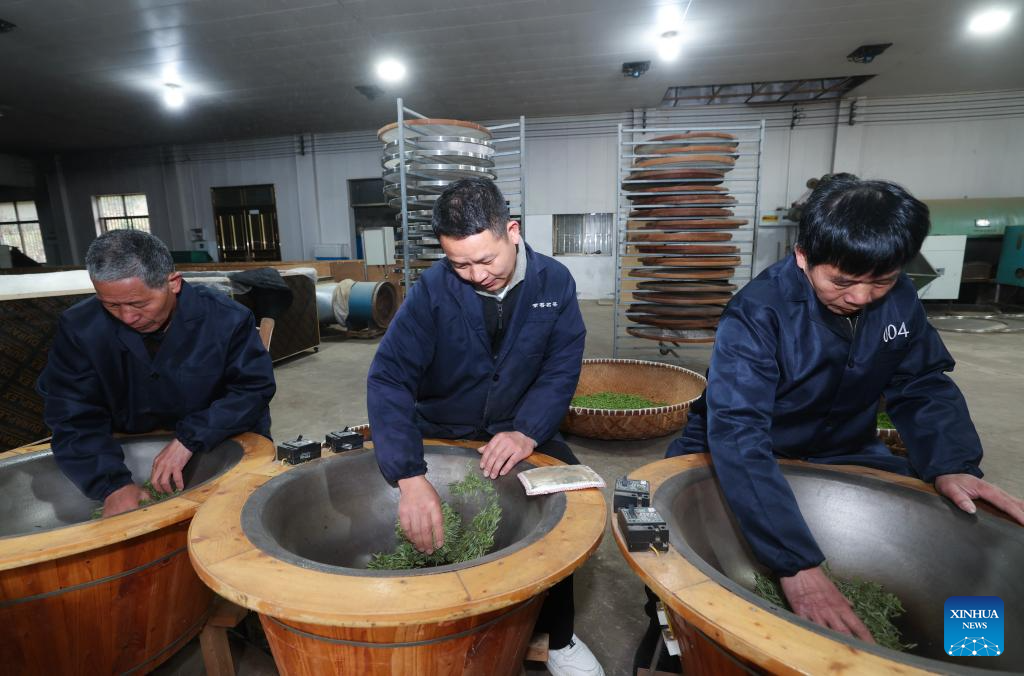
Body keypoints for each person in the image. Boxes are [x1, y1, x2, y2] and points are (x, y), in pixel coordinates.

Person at [666, 175, 1024, 642]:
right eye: (842, 281)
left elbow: (921, 383)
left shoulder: (900, 300)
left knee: (958, 527)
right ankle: (675, 634)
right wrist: (796, 565)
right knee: (671, 539)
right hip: (744, 446)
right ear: (802, 257)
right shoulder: (759, 312)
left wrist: (953, 463)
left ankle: (968, 651)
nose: (859, 297)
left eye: (881, 280)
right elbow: (738, 431)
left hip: (841, 445)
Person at [367, 178, 603, 676]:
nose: (476, 275)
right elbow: (389, 376)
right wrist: (409, 476)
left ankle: (559, 638)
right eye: (460, 264)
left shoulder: (554, 283)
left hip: (516, 424)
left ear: (511, 232)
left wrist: (529, 431)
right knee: (412, 507)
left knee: (565, 504)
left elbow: (561, 368)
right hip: (442, 427)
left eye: (486, 260)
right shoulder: (433, 290)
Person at [37, 229, 276, 517]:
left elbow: (252, 390)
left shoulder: (225, 319)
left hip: (218, 442)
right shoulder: (80, 329)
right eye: (111, 305)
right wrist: (111, 484)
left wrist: (191, 437)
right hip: (132, 449)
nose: (127, 317)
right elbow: (71, 412)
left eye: (139, 304)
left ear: (173, 283)